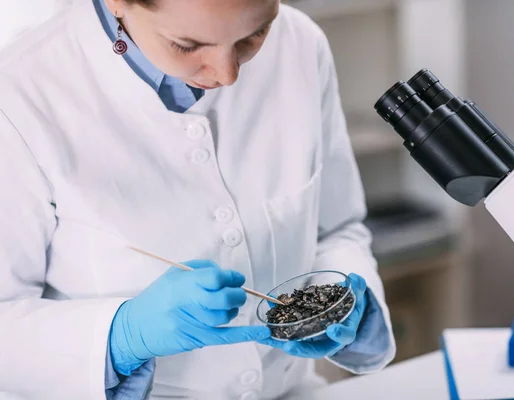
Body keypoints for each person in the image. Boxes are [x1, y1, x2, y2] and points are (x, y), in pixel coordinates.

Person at [0, 0, 396, 398]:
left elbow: (337, 229)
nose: (227, 74)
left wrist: (348, 303)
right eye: (186, 45)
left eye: (253, 36)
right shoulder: (19, 94)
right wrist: (121, 337)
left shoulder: (301, 43)